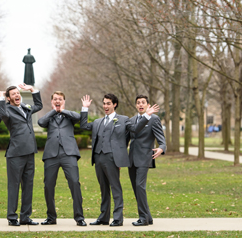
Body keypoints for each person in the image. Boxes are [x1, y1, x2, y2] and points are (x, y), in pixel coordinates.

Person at [79, 94, 157, 226]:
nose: (105, 106)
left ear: (114, 104)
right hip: (98, 158)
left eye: (108, 103)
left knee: (115, 188)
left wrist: (146, 116)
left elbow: (135, 129)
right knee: (104, 189)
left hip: (112, 158)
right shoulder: (98, 122)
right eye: (104, 103)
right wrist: (85, 108)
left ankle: (118, 218)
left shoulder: (123, 119)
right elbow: (84, 126)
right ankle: (103, 217)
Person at [0, 84, 42, 226]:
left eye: (18, 93)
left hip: (30, 152)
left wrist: (33, 90)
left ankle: (25, 217)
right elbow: (3, 114)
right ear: (9, 98)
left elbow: (38, 105)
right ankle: (12, 217)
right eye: (13, 94)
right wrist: (1, 98)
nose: (17, 95)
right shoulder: (7, 110)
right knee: (14, 186)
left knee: (28, 186)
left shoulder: (26, 107)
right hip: (15, 154)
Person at [37, 91, 86, 226]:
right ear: (52, 101)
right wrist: (54, 111)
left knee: (75, 183)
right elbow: (41, 122)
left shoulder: (69, 116)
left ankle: (79, 217)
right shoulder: (49, 117)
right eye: (55, 99)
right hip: (51, 155)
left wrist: (62, 110)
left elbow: (79, 117)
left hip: (68, 154)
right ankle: (51, 217)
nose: (57, 101)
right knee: (48, 186)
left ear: (64, 101)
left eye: (60, 99)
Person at [127, 95, 166, 226]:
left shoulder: (154, 119)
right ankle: (148, 216)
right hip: (131, 159)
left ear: (148, 105)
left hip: (144, 157)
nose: (140, 105)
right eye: (138, 103)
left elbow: (161, 138)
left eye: (143, 102)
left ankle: (143, 219)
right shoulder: (132, 120)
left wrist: (161, 148)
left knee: (140, 186)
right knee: (136, 188)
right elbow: (128, 137)